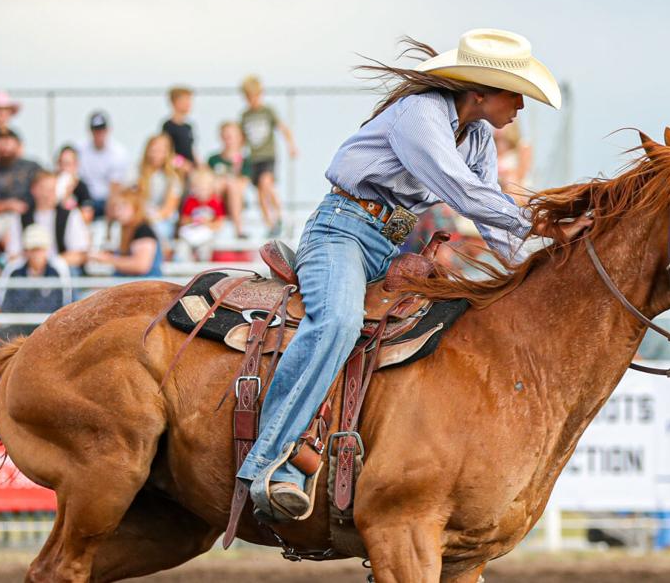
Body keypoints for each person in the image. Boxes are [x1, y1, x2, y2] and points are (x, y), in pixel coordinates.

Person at [235, 29, 592, 521]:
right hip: (341, 232)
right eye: (516, 94)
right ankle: (270, 462)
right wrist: (542, 222)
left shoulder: (479, 136)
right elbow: (463, 190)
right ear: (480, 91)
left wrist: (549, 259)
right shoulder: (421, 113)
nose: (521, 107)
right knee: (337, 322)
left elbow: (493, 218)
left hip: (391, 244)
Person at [0, 224, 72, 344]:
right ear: (26, 251)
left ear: (46, 250)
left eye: (39, 249)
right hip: (18, 327)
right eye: (32, 249)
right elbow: (1, 304)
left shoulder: (58, 270)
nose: (36, 254)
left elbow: (65, 305)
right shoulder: (13, 270)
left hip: (48, 328)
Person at [240, 76, 298, 236]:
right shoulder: (245, 115)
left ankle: (281, 216)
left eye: (255, 96)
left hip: (268, 156)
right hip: (254, 158)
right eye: (249, 97)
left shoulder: (268, 111)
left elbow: (282, 128)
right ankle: (270, 224)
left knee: (266, 183)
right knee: (260, 193)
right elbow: (242, 138)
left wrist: (291, 146)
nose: (253, 100)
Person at [6, 170, 90, 273]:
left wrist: (50, 264)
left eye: (52, 189)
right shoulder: (21, 218)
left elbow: (79, 254)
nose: (49, 193)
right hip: (30, 273)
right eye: (44, 189)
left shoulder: (71, 215)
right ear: (33, 189)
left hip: (62, 272)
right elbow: (13, 254)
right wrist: (35, 264)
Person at [89, 188, 163, 277]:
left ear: (135, 208)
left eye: (123, 206)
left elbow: (140, 266)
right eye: (116, 207)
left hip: (143, 287)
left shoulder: (143, 230)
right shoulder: (126, 229)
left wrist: (108, 259)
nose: (118, 211)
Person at [78, 111, 131, 218]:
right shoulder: (80, 149)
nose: (99, 134)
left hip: (106, 200)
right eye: (96, 130)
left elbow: (115, 187)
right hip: (85, 198)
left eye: (102, 130)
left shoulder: (118, 152)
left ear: (108, 130)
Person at [135, 133, 184, 239]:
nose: (157, 154)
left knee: (157, 231)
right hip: (140, 217)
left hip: (161, 220)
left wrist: (152, 219)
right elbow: (132, 200)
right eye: (154, 150)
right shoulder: (136, 173)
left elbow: (169, 209)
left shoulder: (172, 178)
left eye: (161, 151)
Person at [176, 167, 226, 261]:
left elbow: (219, 223)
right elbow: (183, 220)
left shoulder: (215, 202)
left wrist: (207, 223)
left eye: (205, 189)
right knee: (182, 250)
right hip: (190, 234)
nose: (202, 192)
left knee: (204, 252)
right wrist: (193, 220)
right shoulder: (190, 201)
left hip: (207, 236)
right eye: (198, 188)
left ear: (211, 188)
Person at [208, 121, 248, 238]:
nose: (228, 139)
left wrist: (235, 171)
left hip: (236, 201)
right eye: (225, 135)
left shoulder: (244, 161)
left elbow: (243, 185)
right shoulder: (213, 159)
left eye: (232, 136)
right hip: (217, 197)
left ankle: (238, 230)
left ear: (240, 138)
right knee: (219, 183)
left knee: (231, 184)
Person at [495, 121, 534, 205]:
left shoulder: (522, 146)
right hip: (497, 193)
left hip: (516, 191)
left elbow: (522, 173)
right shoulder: (490, 147)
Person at [53, 144, 94, 220]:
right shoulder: (51, 185)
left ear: (76, 165)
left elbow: (87, 216)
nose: (63, 168)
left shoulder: (81, 187)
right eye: (60, 163)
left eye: (67, 164)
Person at [162, 86, 197, 166]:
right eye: (185, 100)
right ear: (175, 102)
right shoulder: (168, 126)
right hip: (178, 168)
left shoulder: (188, 126)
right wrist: (182, 164)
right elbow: (167, 152)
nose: (189, 104)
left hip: (191, 167)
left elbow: (191, 150)